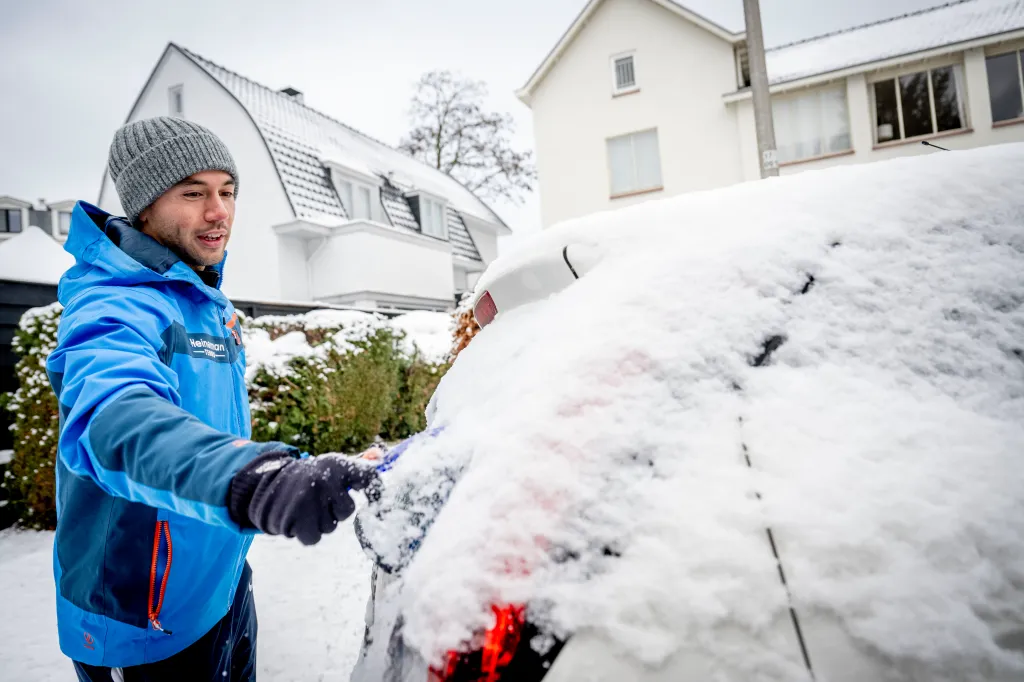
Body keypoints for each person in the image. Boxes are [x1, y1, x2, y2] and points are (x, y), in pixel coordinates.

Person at [46, 116, 377, 681]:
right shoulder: (113, 306)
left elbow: (209, 425)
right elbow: (113, 419)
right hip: (142, 618)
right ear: (145, 208)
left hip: (222, 585)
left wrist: (300, 470)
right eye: (193, 193)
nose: (218, 211)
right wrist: (257, 480)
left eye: (227, 191)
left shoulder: (207, 301)